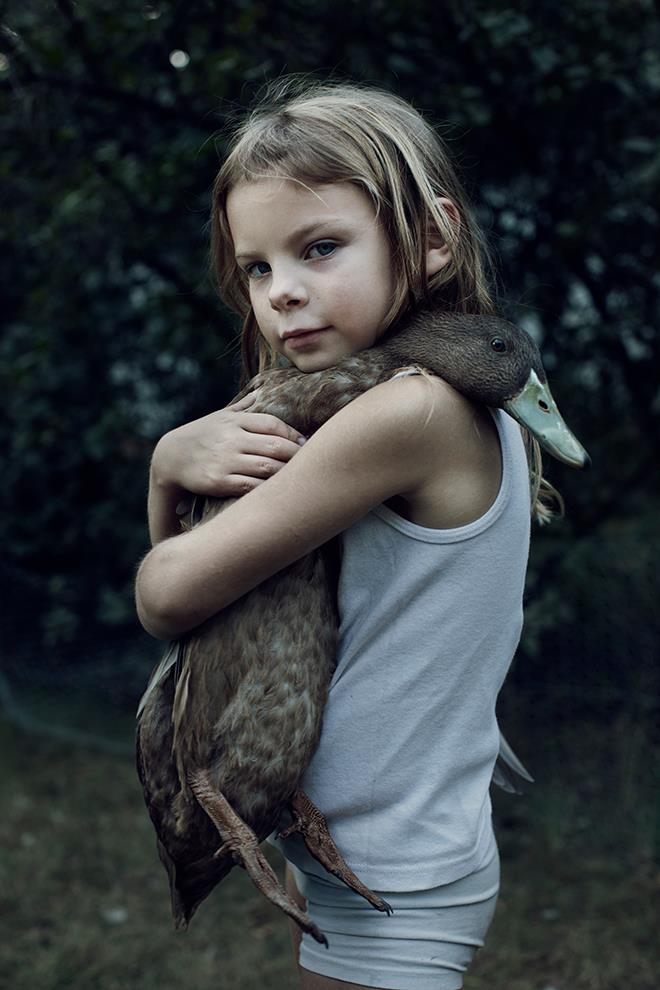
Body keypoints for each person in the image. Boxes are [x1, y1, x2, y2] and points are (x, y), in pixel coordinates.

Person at [135, 79, 554, 990]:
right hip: (382, 846)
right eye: (256, 268)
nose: (282, 293)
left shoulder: (409, 413)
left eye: (320, 248)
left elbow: (167, 596)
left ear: (433, 237)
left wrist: (166, 464)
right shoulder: (462, 387)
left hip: (395, 869)